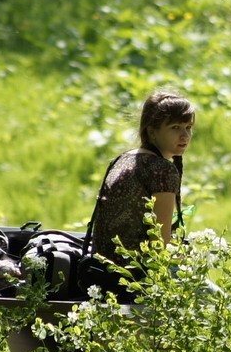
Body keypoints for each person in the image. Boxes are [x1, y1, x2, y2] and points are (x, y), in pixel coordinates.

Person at [79, 89, 195, 301]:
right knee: (222, 305)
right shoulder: (162, 170)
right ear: (152, 132)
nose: (184, 136)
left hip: (101, 273)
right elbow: (158, 247)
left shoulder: (121, 159)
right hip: (134, 279)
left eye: (188, 127)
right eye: (175, 127)